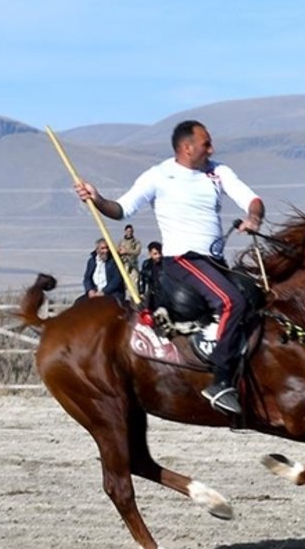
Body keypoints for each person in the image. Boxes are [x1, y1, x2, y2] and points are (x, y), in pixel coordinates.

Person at [73, 120, 264, 416]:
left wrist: (254, 218)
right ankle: (221, 382)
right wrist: (97, 199)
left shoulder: (218, 171)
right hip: (183, 260)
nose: (211, 149)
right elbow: (121, 209)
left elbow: (252, 200)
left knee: (257, 299)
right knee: (231, 301)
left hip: (215, 263)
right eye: (206, 143)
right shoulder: (159, 176)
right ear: (187, 148)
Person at [138, 240, 164, 310]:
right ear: (150, 254)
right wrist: (141, 292)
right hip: (151, 293)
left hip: (163, 294)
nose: (158, 256)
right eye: (155, 254)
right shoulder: (146, 264)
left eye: (159, 253)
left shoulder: (165, 264)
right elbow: (141, 278)